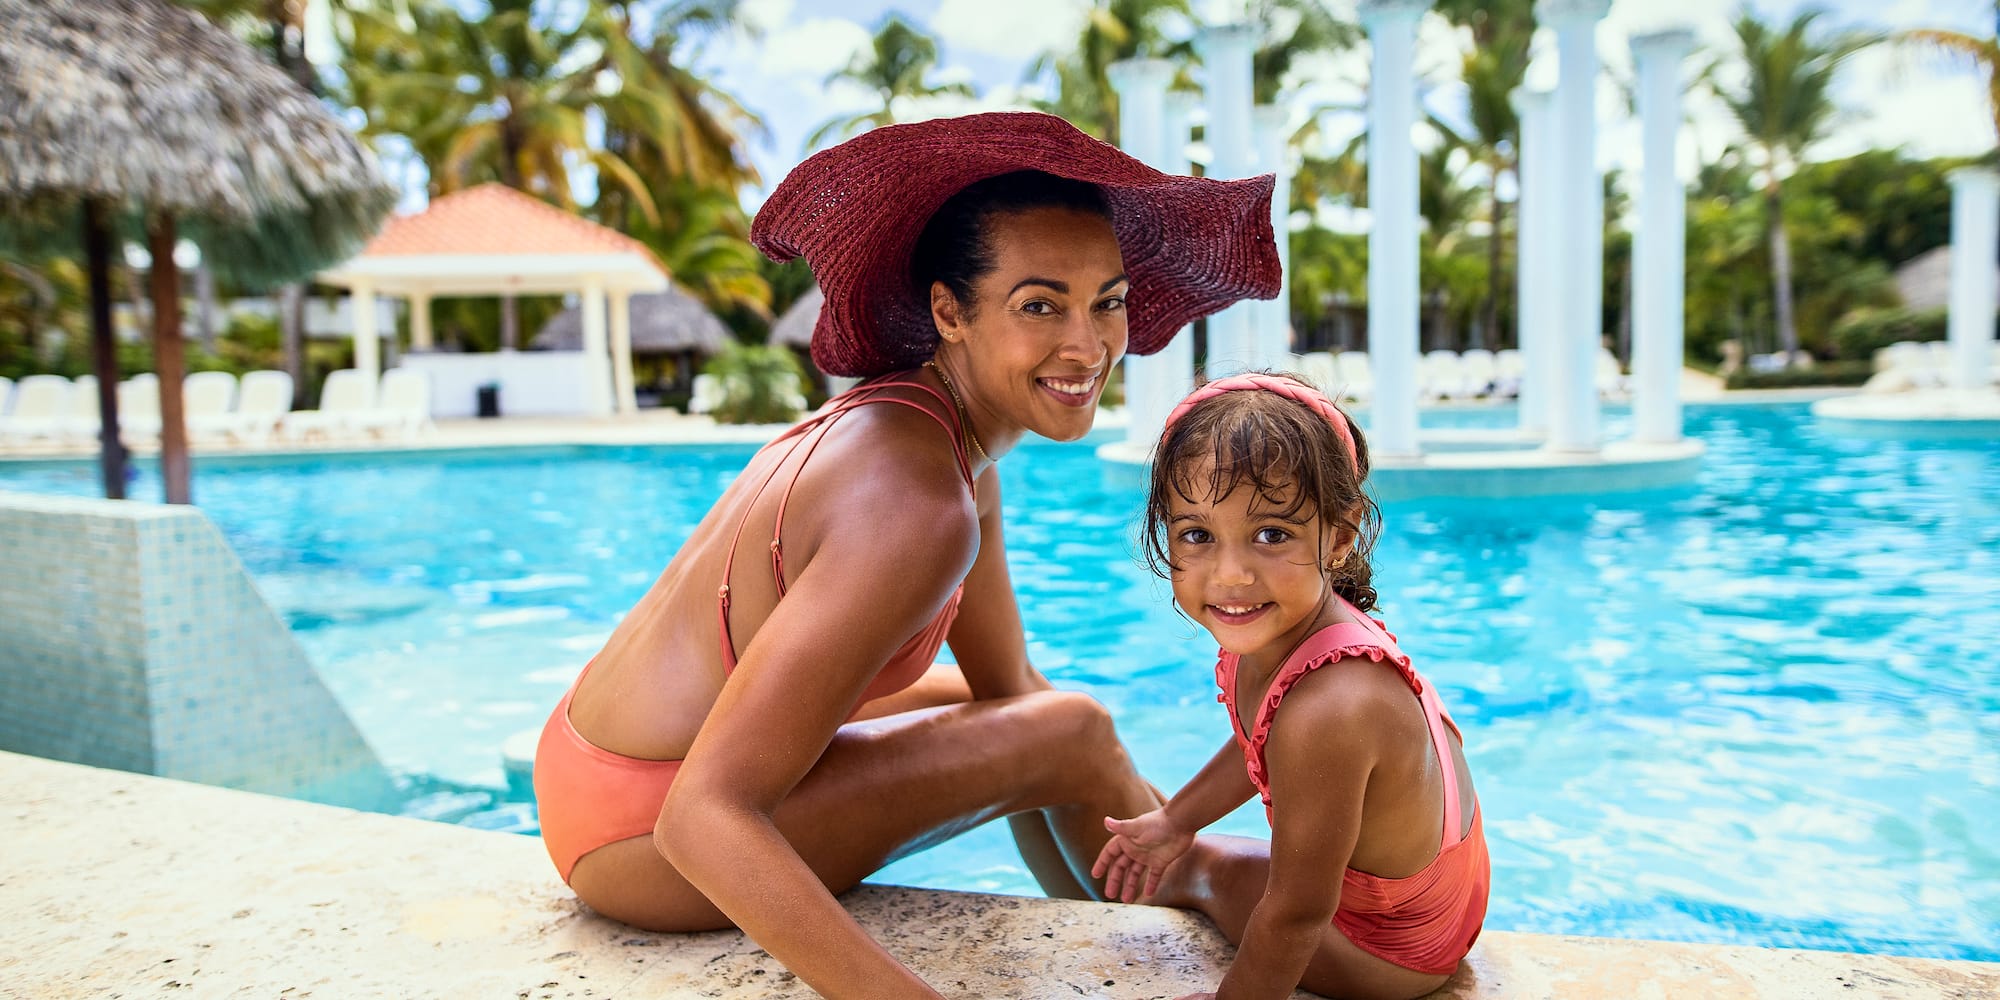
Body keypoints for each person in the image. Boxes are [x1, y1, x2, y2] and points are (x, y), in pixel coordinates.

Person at [530, 111, 1280, 999]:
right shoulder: (918, 505)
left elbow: (1008, 693)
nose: (1087, 346)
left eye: (1107, 302)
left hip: (586, 764)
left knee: (1043, 719)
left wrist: (1160, 815)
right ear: (949, 312)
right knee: (1071, 729)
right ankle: (1202, 889)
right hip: (642, 838)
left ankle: (1164, 888)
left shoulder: (943, 448)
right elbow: (703, 818)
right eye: (1040, 306)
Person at [1092, 373, 1490, 1000]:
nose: (1230, 575)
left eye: (1271, 535)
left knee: (1204, 876)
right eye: (1197, 535)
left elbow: (1298, 911)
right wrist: (1176, 819)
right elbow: (1259, 742)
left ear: (1337, 535)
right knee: (1190, 854)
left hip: (1396, 954)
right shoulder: (1293, 633)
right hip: (1426, 907)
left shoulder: (1333, 705)